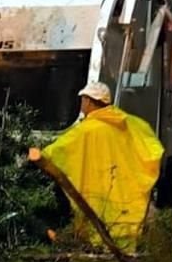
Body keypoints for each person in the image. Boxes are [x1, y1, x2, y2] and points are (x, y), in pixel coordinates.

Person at [38, 82, 164, 251]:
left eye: (83, 99)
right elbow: (153, 152)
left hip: (100, 202)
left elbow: (56, 153)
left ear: (89, 101)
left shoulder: (85, 132)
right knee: (127, 252)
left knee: (103, 247)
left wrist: (35, 158)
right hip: (130, 202)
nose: (81, 103)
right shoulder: (131, 124)